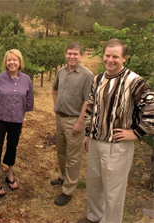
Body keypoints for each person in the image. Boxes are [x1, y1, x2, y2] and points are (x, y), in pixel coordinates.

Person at [78, 38, 154, 223]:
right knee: (94, 185)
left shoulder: (134, 81)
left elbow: (151, 108)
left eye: (115, 56)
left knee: (113, 192)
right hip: (96, 142)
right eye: (107, 55)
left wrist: (136, 133)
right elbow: (91, 108)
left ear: (124, 58)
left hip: (117, 146)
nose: (110, 60)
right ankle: (94, 216)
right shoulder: (98, 79)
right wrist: (88, 133)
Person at [51, 42, 94, 206]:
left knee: (74, 157)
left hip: (74, 120)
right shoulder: (61, 71)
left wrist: (80, 121)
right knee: (61, 151)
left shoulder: (86, 75)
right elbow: (54, 89)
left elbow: (87, 101)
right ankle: (63, 177)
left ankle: (68, 190)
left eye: (75, 54)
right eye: (69, 53)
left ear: (81, 56)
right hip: (60, 118)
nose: (72, 56)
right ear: (65, 54)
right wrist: (55, 105)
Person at [0, 49, 34, 197]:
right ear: (5, 63)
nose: (12, 62)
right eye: (9, 60)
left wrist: (19, 113)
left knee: (13, 146)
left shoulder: (27, 80)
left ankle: (10, 174)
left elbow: (28, 101)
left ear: (20, 62)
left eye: (15, 60)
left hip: (17, 119)